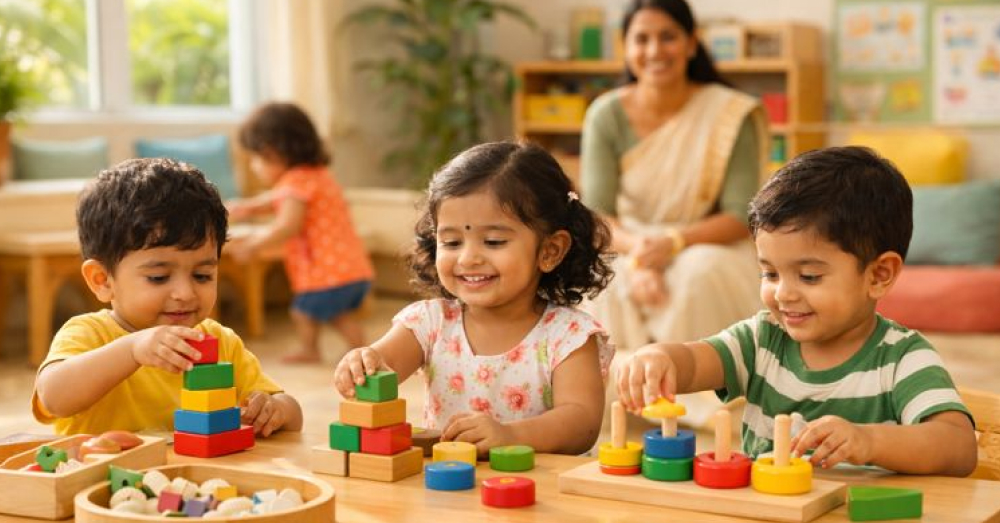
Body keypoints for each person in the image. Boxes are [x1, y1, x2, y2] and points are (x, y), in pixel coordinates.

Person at [616, 146, 977, 478]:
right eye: (769, 273)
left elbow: (958, 447)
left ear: (879, 275)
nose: (783, 293)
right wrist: (660, 357)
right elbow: (695, 363)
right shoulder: (762, 340)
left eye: (809, 276)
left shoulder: (903, 358)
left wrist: (871, 441)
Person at [334, 141, 615, 456]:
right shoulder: (429, 323)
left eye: (493, 241)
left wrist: (510, 435)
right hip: (453, 488)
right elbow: (382, 365)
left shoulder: (569, 336)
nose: (468, 258)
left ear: (550, 251)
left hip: (542, 494)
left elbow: (582, 423)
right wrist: (361, 363)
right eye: (452, 241)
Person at [32, 158, 303, 438]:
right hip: (102, 480)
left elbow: (292, 414)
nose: (185, 294)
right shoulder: (89, 334)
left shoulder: (219, 343)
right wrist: (133, 349)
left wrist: (274, 409)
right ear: (102, 280)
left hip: (190, 481)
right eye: (158, 278)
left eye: (202, 276)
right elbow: (53, 396)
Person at [581, 0, 769, 351]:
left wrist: (672, 244)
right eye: (641, 39)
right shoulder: (605, 115)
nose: (654, 50)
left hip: (709, 244)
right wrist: (641, 254)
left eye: (668, 37)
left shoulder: (729, 114)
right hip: (628, 242)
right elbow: (596, 215)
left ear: (691, 43)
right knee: (601, 280)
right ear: (627, 47)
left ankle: (699, 400)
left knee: (700, 275)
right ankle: (621, 400)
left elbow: (740, 215)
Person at [228, 101, 374, 364]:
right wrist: (246, 208)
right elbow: (276, 200)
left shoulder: (295, 182)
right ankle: (357, 348)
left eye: (256, 159)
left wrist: (254, 244)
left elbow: (287, 225)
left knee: (304, 312)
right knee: (337, 314)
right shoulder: (315, 175)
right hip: (350, 268)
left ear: (274, 153)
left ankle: (322, 350)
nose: (254, 166)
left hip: (328, 273)